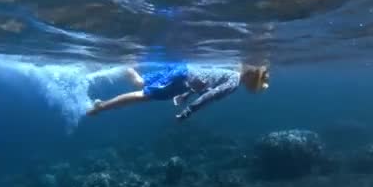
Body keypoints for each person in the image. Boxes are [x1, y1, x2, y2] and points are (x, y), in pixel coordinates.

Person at [86, 63, 269, 120]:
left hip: (182, 70)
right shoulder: (234, 82)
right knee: (144, 96)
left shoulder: (230, 73)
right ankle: (101, 106)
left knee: (140, 83)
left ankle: (122, 66)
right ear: (252, 79)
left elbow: (203, 83)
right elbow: (209, 95)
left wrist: (185, 95)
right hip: (181, 78)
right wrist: (188, 112)